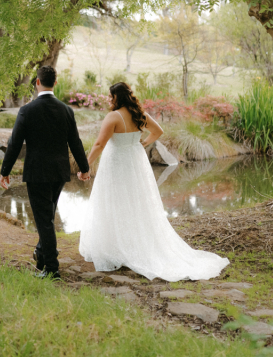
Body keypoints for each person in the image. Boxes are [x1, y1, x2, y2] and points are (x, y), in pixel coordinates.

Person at [79, 82, 229, 281]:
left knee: (114, 201)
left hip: (116, 163)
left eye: (110, 96)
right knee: (135, 202)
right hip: (135, 161)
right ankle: (131, 243)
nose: (109, 99)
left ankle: (116, 246)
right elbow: (158, 131)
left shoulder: (113, 117)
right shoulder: (138, 114)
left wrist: (86, 166)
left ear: (116, 97)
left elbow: (99, 143)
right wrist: (143, 143)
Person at [0, 66, 90, 280]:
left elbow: (14, 143)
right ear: (55, 83)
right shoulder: (66, 110)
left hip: (37, 172)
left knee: (44, 220)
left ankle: (51, 268)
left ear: (37, 83)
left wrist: (5, 171)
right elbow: (75, 142)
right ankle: (42, 254)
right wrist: (84, 168)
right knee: (47, 216)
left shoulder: (27, 110)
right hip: (59, 172)